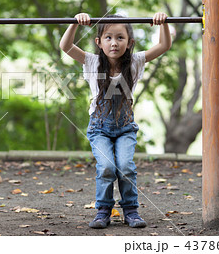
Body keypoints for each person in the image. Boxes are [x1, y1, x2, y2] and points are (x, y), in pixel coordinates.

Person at [59, 12, 172, 229]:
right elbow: (66, 46)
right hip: (99, 128)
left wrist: (162, 23)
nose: (114, 43)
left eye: (120, 38)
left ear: (130, 43)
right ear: (98, 42)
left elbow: (164, 45)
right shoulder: (91, 62)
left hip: (125, 128)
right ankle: (103, 210)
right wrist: (75, 22)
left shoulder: (136, 61)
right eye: (108, 38)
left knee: (125, 166)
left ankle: (131, 210)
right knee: (107, 167)